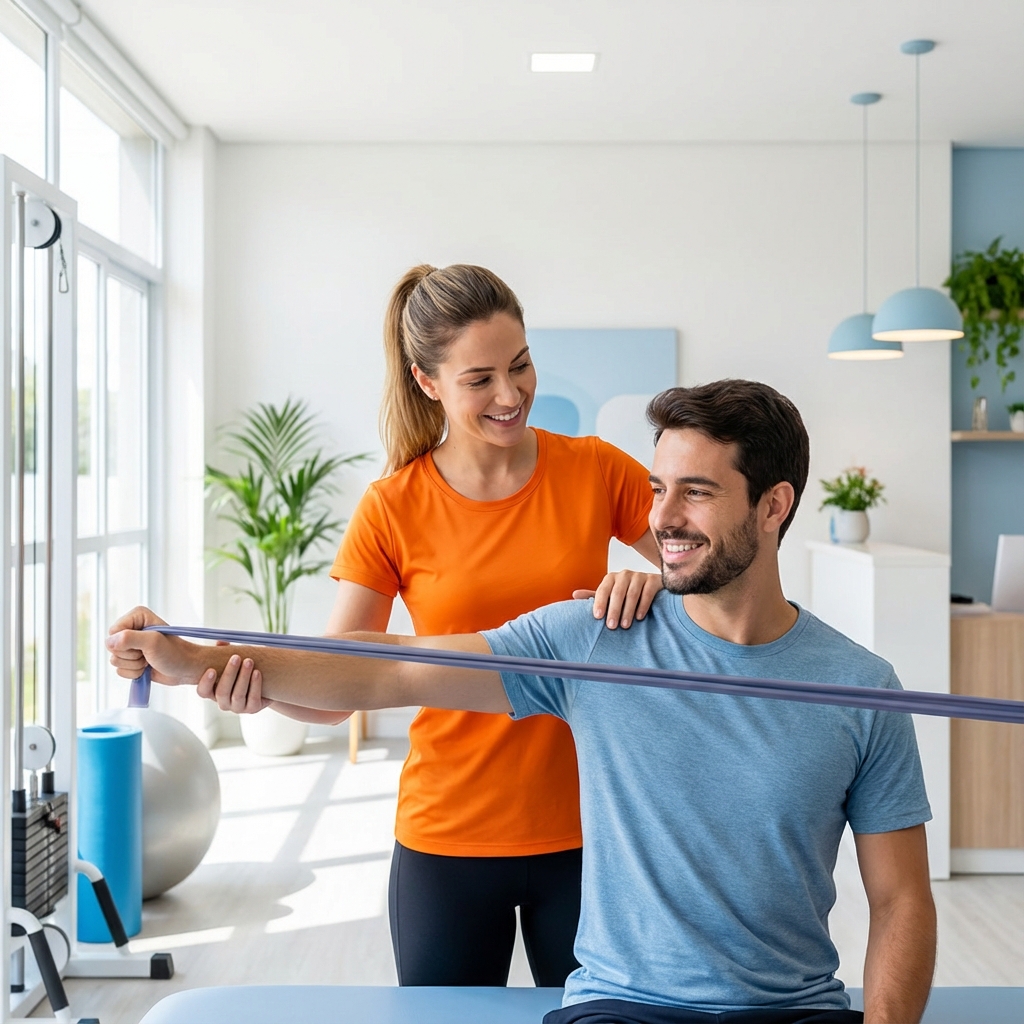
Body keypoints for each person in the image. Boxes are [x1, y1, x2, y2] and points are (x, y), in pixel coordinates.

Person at [109, 379, 937, 1024]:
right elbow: (394, 669)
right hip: (624, 1007)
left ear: (774, 504)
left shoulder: (860, 688)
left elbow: (901, 899)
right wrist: (203, 660)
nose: (663, 518)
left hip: (790, 1010)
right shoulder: (599, 641)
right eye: (658, 489)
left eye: (697, 493)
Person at [207, 263, 663, 988]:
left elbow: (718, 592)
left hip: (593, 833)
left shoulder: (599, 471)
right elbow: (339, 687)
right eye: (479, 378)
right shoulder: (392, 506)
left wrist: (654, 585)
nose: (510, 395)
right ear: (428, 382)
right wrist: (247, 684)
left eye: (520, 366)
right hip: (447, 839)